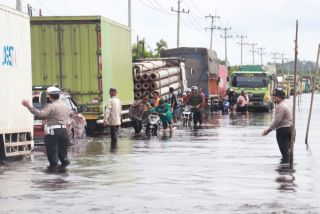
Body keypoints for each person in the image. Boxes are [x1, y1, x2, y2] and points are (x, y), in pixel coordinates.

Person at [21, 86, 70, 172]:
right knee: (63, 156)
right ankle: (64, 175)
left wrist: (28, 106)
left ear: (49, 96)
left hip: (53, 132)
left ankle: (53, 177)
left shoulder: (51, 106)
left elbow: (41, 115)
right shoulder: (64, 105)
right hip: (64, 132)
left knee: (52, 156)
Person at [262, 89, 293, 163]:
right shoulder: (289, 103)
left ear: (279, 97)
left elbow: (277, 120)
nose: (274, 99)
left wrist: (268, 130)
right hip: (291, 128)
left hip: (283, 130)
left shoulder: (280, 106)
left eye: (275, 97)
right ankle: (289, 169)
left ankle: (284, 171)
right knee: (289, 151)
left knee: (285, 153)